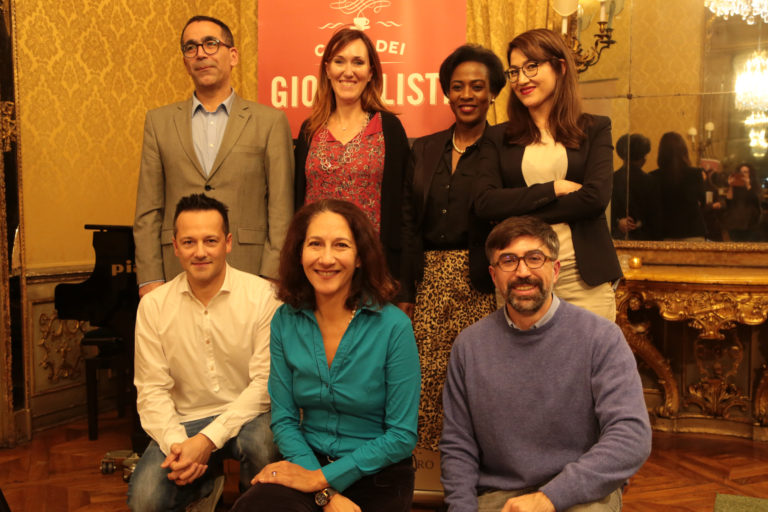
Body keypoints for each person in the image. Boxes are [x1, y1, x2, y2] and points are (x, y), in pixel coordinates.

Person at [440, 216, 651, 512]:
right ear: (494, 275)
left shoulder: (602, 338)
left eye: (534, 258)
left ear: (555, 269)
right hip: (499, 495)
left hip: (582, 492)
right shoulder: (469, 346)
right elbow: (457, 445)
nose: (522, 272)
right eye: (508, 260)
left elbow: (631, 437)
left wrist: (549, 497)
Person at [231, 199, 421, 512]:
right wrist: (325, 491)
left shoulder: (394, 326)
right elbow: (284, 420)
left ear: (359, 257)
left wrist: (321, 481)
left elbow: (401, 436)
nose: (326, 258)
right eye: (315, 244)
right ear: (299, 253)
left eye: (341, 245)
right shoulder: (284, 321)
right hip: (307, 460)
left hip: (378, 473)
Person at [128, 194, 281, 511]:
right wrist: (179, 446)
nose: (200, 252)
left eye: (210, 241)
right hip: (184, 422)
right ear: (175, 246)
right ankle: (205, 485)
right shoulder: (154, 306)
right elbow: (151, 390)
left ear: (228, 243)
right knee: (144, 501)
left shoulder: (263, 297)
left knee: (262, 444)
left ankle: (253, 504)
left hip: (248, 415)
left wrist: (207, 441)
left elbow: (264, 385)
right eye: (189, 242)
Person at [133, 15, 294, 298]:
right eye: (191, 47)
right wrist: (149, 278)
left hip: (250, 271)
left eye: (211, 43)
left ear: (233, 56)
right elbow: (148, 209)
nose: (200, 53)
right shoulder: (159, 123)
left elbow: (281, 208)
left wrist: (273, 275)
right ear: (185, 61)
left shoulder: (270, 122)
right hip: (175, 273)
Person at [473, 28, 621, 321]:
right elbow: (485, 203)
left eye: (532, 66)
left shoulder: (595, 128)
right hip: (519, 278)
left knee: (590, 351)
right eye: (514, 71)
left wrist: (514, 211)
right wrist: (553, 188)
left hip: (582, 277)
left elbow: (594, 199)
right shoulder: (497, 137)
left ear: (560, 67)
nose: (522, 79)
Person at [400, 44, 506, 451]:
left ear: (492, 92)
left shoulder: (504, 147)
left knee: (477, 378)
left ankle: (475, 467)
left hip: (482, 279)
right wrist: (406, 290)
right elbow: (409, 221)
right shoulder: (425, 149)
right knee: (425, 379)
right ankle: (427, 470)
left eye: (477, 86)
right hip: (428, 280)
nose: (467, 95)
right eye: (458, 86)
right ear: (446, 92)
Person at [294, 27, 409, 279]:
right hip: (317, 266)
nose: (348, 71)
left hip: (373, 268)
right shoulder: (309, 130)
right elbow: (298, 203)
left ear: (370, 73)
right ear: (327, 70)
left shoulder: (389, 128)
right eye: (339, 61)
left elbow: (404, 206)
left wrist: (401, 275)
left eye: (358, 62)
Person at [650, 132, 707, 241]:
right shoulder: (696, 173)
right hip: (693, 230)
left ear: (662, 152)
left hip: (666, 231)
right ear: (684, 151)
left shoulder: (654, 176)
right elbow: (703, 202)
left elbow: (653, 207)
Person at [611, 133, 662, 240]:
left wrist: (617, 223)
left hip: (617, 237)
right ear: (642, 157)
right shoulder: (650, 181)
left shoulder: (612, 178)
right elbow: (655, 217)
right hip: (645, 238)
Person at [723, 163, 762, 241]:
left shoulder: (754, 187)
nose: (743, 174)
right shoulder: (735, 187)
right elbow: (728, 201)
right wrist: (731, 185)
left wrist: (748, 185)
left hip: (750, 223)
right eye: (741, 172)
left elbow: (755, 201)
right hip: (735, 222)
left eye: (745, 172)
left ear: (750, 174)